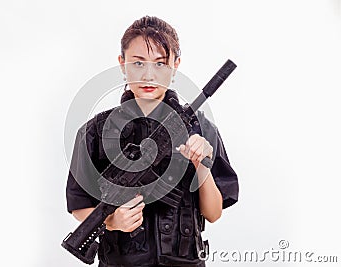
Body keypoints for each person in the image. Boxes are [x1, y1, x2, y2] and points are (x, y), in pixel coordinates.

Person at [66, 16, 239, 267]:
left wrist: (202, 164)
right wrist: (113, 221)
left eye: (160, 64)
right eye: (138, 63)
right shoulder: (95, 131)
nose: (149, 75)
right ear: (122, 64)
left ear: (175, 65)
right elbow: (79, 204)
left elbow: (213, 213)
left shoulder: (199, 128)